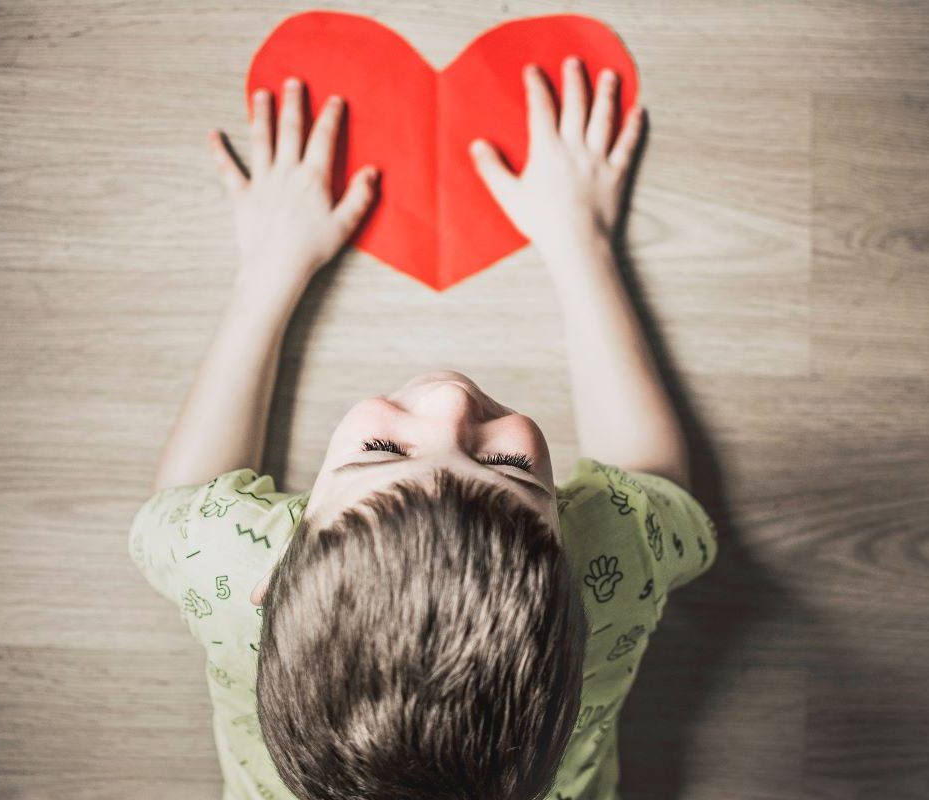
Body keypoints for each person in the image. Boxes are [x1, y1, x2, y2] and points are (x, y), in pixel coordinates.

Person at [128, 54, 718, 800]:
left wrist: (268, 270)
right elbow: (657, 485)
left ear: (271, 578)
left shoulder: (226, 563)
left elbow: (178, 501)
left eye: (382, 452)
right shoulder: (609, 569)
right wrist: (582, 242)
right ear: (574, 565)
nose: (449, 400)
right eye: (507, 469)